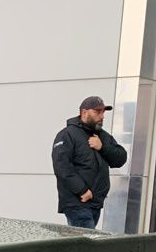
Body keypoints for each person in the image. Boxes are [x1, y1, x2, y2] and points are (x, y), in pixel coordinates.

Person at [52, 95, 128, 229]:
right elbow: (62, 166)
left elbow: (120, 158)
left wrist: (102, 147)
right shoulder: (67, 135)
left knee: (82, 245)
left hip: (95, 203)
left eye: (103, 112)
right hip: (78, 202)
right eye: (97, 112)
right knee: (85, 245)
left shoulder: (102, 136)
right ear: (84, 112)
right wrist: (82, 190)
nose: (102, 116)